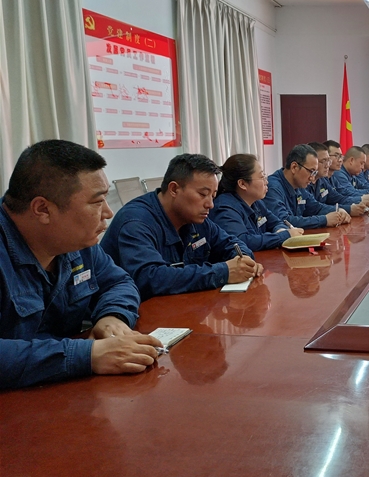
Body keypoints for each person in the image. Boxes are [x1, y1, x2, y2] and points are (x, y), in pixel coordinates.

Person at [0, 140, 161, 389]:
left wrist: (113, 316)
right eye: (97, 202)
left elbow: (118, 282)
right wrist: (86, 355)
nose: (108, 213)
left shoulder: (75, 242)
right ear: (43, 209)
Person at [101, 154, 262, 300]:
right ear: (174, 189)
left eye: (213, 196)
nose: (210, 204)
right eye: (203, 194)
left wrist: (244, 260)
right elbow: (150, 278)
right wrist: (224, 272)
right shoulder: (136, 222)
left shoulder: (196, 217)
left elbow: (231, 243)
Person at [209, 154, 303, 251]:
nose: (266, 182)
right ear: (242, 184)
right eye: (262, 177)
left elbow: (276, 222)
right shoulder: (225, 208)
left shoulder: (256, 202)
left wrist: (280, 230)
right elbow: (242, 241)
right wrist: (284, 236)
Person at [264, 144, 350, 229]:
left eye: (315, 173)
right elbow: (284, 221)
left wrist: (337, 210)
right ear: (294, 167)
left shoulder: (299, 185)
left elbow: (317, 208)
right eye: (311, 171)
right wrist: (324, 220)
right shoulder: (273, 188)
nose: (312, 178)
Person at [307, 142, 369, 216]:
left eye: (328, 160)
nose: (327, 165)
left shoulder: (322, 180)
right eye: (324, 161)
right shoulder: (303, 183)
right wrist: (348, 209)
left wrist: (361, 199)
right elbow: (315, 208)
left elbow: (338, 197)